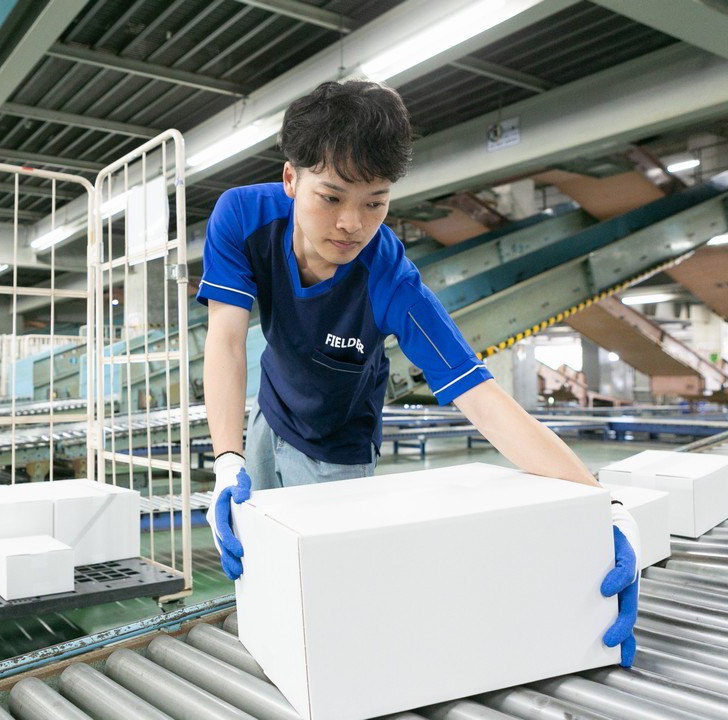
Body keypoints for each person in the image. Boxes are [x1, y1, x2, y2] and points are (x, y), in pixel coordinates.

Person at [196, 80, 640, 667]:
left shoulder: (389, 279)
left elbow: (481, 398)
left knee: (332, 601)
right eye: (331, 197)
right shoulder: (242, 219)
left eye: (375, 202)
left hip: (336, 446)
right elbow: (227, 341)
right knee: (258, 566)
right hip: (268, 416)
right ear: (290, 179)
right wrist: (227, 461)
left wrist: (605, 508)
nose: (351, 224)